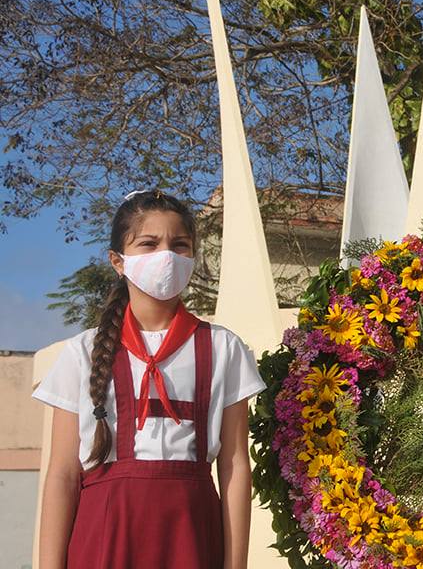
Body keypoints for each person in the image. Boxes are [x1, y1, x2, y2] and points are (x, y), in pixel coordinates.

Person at [33, 190, 266, 568]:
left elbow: (235, 465)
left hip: (191, 531)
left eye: (180, 245)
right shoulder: (82, 352)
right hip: (104, 532)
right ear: (118, 261)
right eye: (149, 244)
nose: (167, 256)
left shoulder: (224, 348)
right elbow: (62, 474)